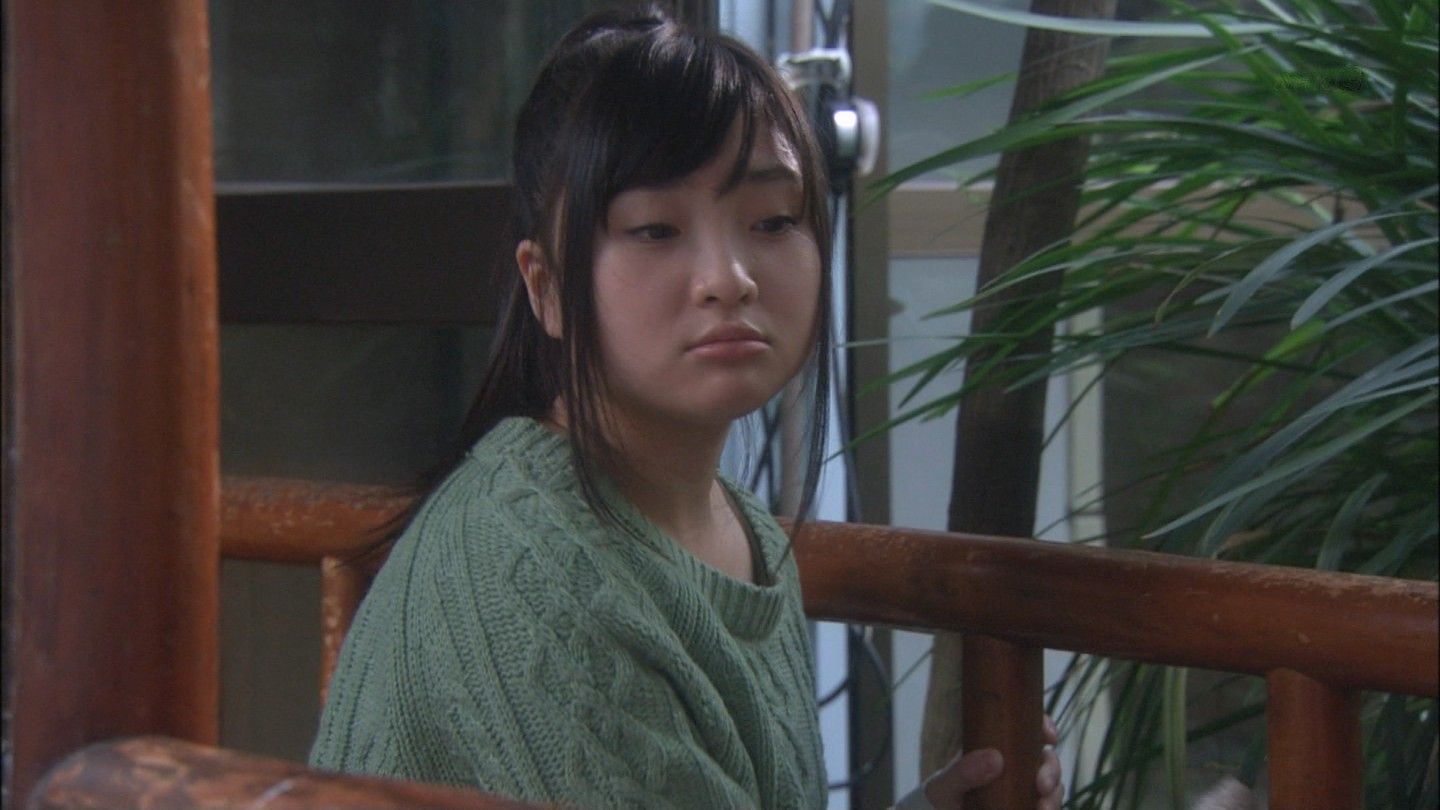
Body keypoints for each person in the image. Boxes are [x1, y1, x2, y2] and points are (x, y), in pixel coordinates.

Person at [310, 5, 1062, 809]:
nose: (728, 277)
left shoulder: (733, 524)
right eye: (655, 230)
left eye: (773, 221)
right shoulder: (534, 570)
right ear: (547, 287)